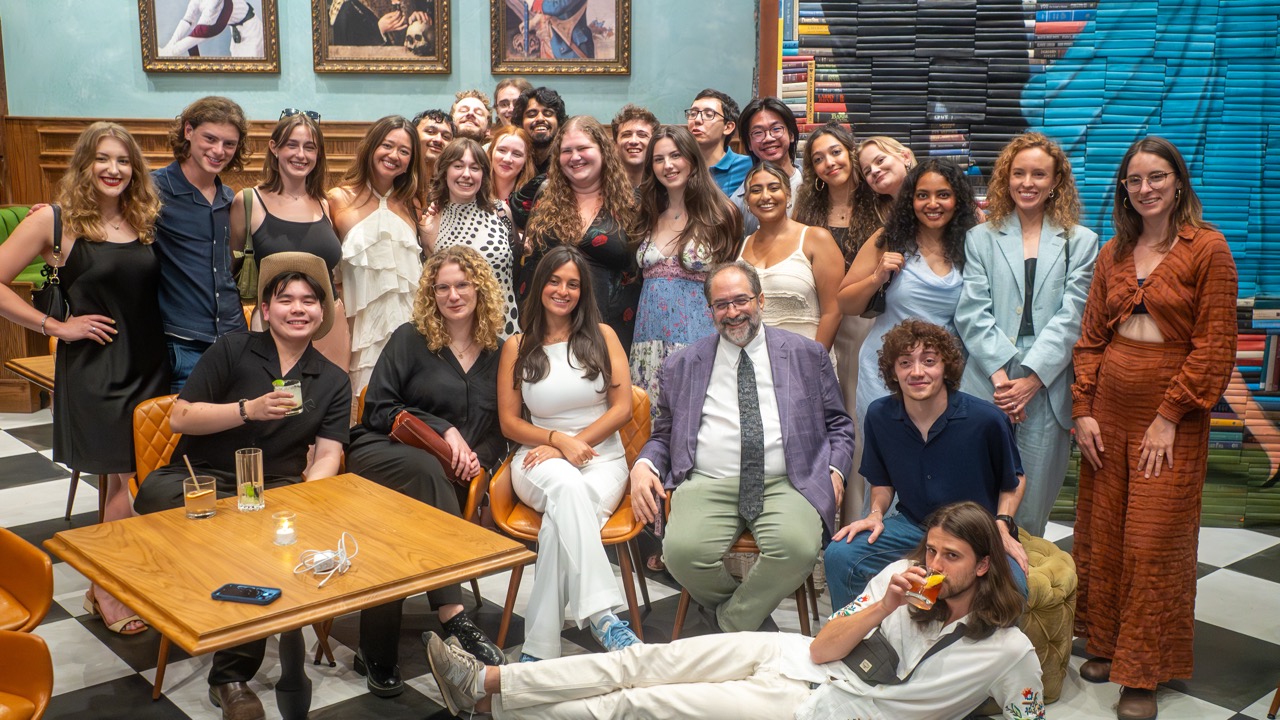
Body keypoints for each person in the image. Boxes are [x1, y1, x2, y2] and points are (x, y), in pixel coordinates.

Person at [425, 501, 1044, 720]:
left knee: (638, 705)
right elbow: (826, 645)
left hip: (818, 708)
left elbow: (1027, 718)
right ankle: (488, 679)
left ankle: (491, 707)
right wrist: (885, 603)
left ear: (984, 565)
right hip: (792, 656)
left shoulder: (1008, 650)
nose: (935, 563)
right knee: (641, 663)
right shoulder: (897, 579)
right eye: (931, 548)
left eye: (952, 556)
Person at [133, 252, 351, 719]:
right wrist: (246, 409)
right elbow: (179, 416)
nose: (298, 308)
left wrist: (307, 497)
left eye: (309, 301)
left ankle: (230, 677)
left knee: (264, 543)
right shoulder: (232, 349)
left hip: (276, 488)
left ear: (322, 312)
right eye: (285, 298)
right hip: (201, 479)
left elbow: (330, 453)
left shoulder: (331, 380)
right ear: (266, 309)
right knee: (158, 497)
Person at [1070, 137, 1237, 720]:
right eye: (1134, 180)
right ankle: (1111, 647)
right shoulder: (1114, 251)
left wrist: (1169, 416)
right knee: (1104, 533)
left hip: (1172, 416)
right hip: (1108, 411)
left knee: (1152, 542)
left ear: (1179, 182)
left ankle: (1143, 671)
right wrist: (1083, 409)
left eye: (1157, 177)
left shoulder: (1207, 248)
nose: (1146, 189)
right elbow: (1091, 337)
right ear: (1124, 188)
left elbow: (1215, 348)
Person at [0, 123, 167, 636]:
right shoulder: (55, 221)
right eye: (102, 158)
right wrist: (55, 326)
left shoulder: (143, 220)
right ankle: (112, 592)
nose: (114, 169)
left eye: (123, 160)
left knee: (125, 479)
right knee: (121, 476)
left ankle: (105, 582)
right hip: (97, 369)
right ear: (84, 165)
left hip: (149, 365)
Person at [630, 261, 855, 633]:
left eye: (741, 300)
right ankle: (754, 626)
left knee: (798, 551)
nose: (732, 312)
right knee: (681, 555)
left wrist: (834, 470)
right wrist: (644, 465)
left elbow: (839, 425)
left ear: (760, 300)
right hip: (708, 480)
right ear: (710, 312)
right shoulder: (683, 364)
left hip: (786, 480)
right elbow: (664, 433)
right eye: (721, 304)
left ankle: (729, 624)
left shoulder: (805, 354)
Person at [347, 247, 508, 697]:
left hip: (449, 476)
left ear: (480, 288)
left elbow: (500, 430)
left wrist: (479, 459)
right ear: (430, 293)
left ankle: (375, 648)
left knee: (398, 522)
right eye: (442, 287)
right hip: (380, 453)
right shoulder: (410, 337)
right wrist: (445, 430)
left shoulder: (498, 352)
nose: (453, 295)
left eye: (462, 285)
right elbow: (377, 409)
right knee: (424, 471)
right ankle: (452, 614)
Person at [496, 246, 641, 661]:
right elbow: (510, 423)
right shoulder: (517, 345)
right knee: (565, 487)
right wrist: (557, 441)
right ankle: (604, 617)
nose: (563, 290)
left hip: (603, 459)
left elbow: (622, 408)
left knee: (558, 526)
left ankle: (539, 649)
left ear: (583, 291)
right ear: (540, 284)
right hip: (538, 458)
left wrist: (581, 443)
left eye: (573, 284)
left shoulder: (603, 335)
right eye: (555, 281)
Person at [824, 318, 1030, 610]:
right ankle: (858, 638)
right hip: (914, 525)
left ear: (946, 367)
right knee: (840, 556)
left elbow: (1015, 480)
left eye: (929, 361)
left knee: (1015, 589)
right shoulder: (880, 415)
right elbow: (882, 481)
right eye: (905, 362)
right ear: (893, 372)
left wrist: (1002, 525)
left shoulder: (986, 420)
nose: (917, 372)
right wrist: (875, 514)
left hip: (978, 532)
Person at [954, 132, 1099, 537]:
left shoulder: (1081, 241)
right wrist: (1003, 382)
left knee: (1030, 510)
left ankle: (1021, 592)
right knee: (973, 504)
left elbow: (1075, 315)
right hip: (987, 379)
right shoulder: (980, 238)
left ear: (1056, 182)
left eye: (1039, 173)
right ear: (1006, 178)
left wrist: (1031, 380)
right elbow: (972, 311)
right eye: (1018, 173)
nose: (1027, 182)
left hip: (1047, 382)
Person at [838, 159, 979, 431]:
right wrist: (877, 277)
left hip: (944, 376)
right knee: (888, 467)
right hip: (886, 374)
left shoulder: (972, 244)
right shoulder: (889, 238)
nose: (932, 203)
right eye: (922, 195)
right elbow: (845, 302)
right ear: (910, 200)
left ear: (958, 200)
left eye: (943, 195)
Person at [792, 122, 883, 518]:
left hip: (870, 325)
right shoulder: (808, 210)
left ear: (851, 152)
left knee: (864, 422)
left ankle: (863, 516)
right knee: (830, 423)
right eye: (818, 158)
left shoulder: (880, 203)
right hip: (822, 327)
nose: (829, 163)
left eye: (835, 152)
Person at [230, 108, 350, 373]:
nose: (301, 155)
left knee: (328, 406)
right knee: (276, 407)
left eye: (310, 147)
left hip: (328, 325)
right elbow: (231, 272)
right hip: (272, 328)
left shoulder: (325, 203)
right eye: (292, 145)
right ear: (274, 147)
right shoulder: (248, 202)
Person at [628, 126, 741, 403]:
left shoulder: (721, 214)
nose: (667, 166)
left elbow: (730, 282)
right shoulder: (646, 214)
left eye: (675, 155)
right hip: (647, 342)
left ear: (691, 158)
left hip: (700, 338)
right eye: (658, 159)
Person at [152, 95, 249, 389]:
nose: (219, 151)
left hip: (234, 337)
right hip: (183, 341)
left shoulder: (229, 198)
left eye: (229, 144)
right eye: (210, 138)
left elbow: (229, 264)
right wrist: (53, 215)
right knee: (187, 433)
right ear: (188, 131)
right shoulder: (152, 190)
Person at [523, 115, 641, 352]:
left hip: (610, 330)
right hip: (548, 330)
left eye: (583, 148)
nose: (575, 157)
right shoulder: (545, 196)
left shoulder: (632, 202)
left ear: (603, 151)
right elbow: (530, 264)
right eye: (566, 151)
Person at [329, 115, 427, 394]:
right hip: (357, 325)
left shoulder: (413, 205)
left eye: (404, 151)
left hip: (409, 324)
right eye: (387, 145)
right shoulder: (337, 199)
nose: (394, 155)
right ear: (371, 146)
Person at [738, 163, 844, 350]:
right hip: (755, 361)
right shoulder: (741, 246)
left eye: (774, 188)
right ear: (747, 201)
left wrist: (813, 360)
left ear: (788, 195)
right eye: (756, 190)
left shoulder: (815, 238)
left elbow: (833, 312)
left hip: (804, 358)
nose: (765, 196)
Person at [421, 138, 520, 337]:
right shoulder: (429, 224)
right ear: (445, 171)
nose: (466, 174)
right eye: (458, 166)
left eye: (474, 168)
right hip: (456, 335)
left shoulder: (501, 211)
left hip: (504, 329)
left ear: (483, 174)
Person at [730, 97, 803, 235]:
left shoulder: (814, 183)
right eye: (758, 132)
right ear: (749, 144)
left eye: (776, 129)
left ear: (791, 134)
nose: (768, 138)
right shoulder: (739, 202)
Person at [509, 87, 569, 230]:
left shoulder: (569, 162)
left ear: (559, 122)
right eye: (531, 114)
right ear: (520, 123)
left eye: (548, 113)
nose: (540, 119)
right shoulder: (511, 160)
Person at [686, 88, 752, 196]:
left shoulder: (748, 166)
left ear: (728, 127)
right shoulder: (681, 166)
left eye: (708, 114)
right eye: (693, 114)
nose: (697, 120)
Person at [158, 0, 263, 58]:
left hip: (252, 30)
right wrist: (169, 47)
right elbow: (187, 20)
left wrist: (171, 52)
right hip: (237, 31)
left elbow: (201, 33)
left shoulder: (214, 3)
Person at [856, 135, 917, 228]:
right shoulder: (877, 220)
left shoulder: (932, 196)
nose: (874, 171)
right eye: (867, 171)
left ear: (905, 157)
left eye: (880, 161)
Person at [611, 104, 659, 190]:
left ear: (654, 143)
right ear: (615, 144)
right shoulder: (603, 186)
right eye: (626, 135)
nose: (634, 141)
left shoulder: (665, 187)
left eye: (642, 135)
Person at [488, 124, 536, 210]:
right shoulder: (475, 193)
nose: (507, 159)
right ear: (491, 152)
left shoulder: (534, 199)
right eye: (502, 150)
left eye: (517, 154)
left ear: (526, 161)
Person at [411, 108, 455, 194]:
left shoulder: (453, 190)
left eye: (446, 137)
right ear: (413, 135)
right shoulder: (396, 179)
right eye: (430, 132)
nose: (438, 140)